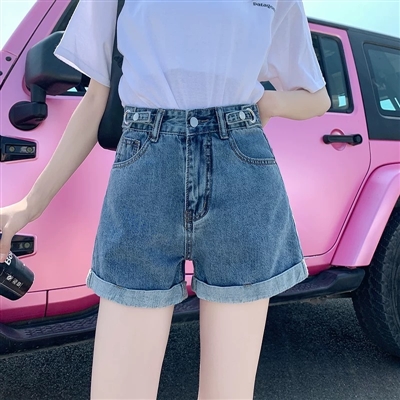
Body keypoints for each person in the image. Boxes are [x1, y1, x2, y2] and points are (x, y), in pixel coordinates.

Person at [0, 0, 331, 399]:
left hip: (241, 173)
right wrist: (30, 205)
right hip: (145, 175)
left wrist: (269, 103)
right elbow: (96, 97)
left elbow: (318, 98)